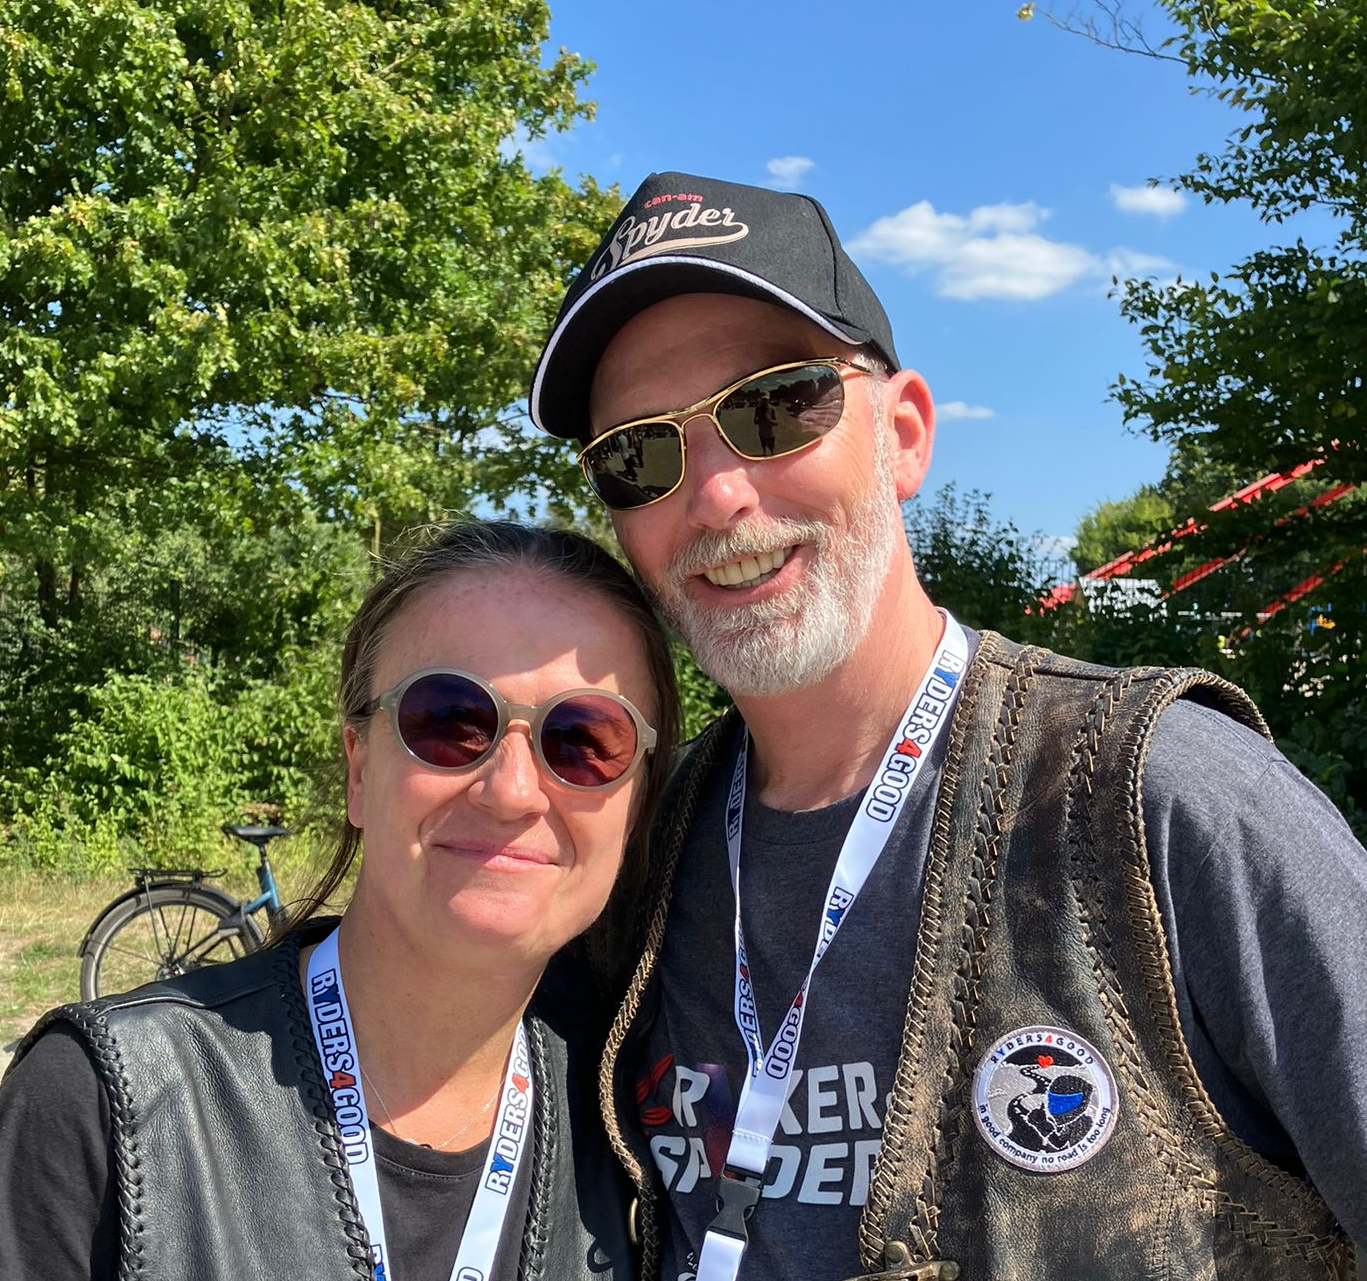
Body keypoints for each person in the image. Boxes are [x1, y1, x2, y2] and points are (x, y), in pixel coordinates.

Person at [528, 171, 1367, 1281]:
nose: (718, 494)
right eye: (639, 454)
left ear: (905, 434)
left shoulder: (1163, 802)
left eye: (774, 406)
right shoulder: (628, 849)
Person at [0, 520, 679, 1281]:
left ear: (638, 803)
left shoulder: (636, 1124)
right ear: (359, 768)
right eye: (450, 720)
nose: (511, 790)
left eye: (584, 740)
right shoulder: (109, 1100)